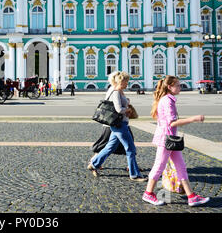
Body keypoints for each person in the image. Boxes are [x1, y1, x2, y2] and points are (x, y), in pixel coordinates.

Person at [142, 75, 210, 207]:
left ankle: (191, 196)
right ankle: (148, 193)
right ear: (170, 87)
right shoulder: (167, 101)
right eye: (177, 85)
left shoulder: (167, 99)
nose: (180, 87)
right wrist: (193, 119)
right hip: (166, 139)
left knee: (181, 167)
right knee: (159, 166)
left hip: (171, 140)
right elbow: (172, 123)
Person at [88, 71, 147, 182]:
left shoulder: (120, 91)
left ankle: (94, 164)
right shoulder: (115, 92)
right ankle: (134, 174)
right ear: (121, 81)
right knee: (130, 148)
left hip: (119, 124)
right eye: (126, 81)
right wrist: (128, 110)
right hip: (119, 124)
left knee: (110, 147)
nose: (127, 83)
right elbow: (118, 109)